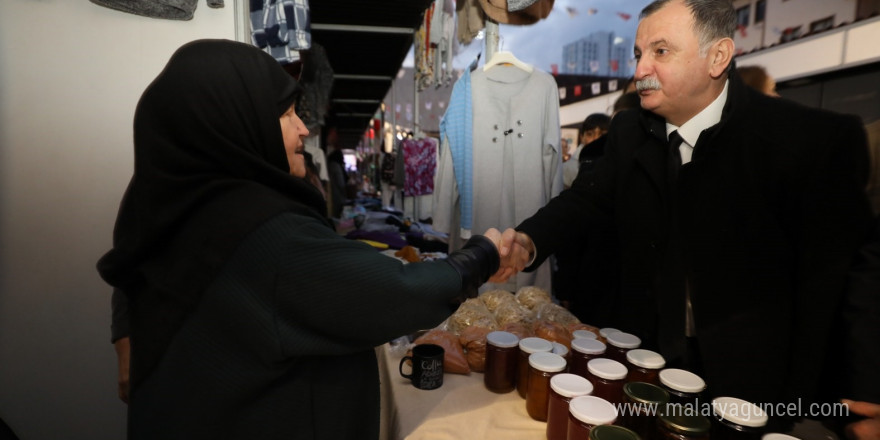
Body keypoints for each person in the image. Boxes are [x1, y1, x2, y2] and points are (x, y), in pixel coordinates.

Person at [495, 0, 874, 432]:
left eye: (661, 51)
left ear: (718, 57)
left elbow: (853, 271)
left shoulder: (808, 140)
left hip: (757, 382)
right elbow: (586, 201)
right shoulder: (629, 132)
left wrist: (864, 390)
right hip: (646, 362)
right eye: (638, 54)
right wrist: (528, 241)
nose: (640, 70)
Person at [98, 39, 502, 439]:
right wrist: (483, 256)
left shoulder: (174, 198)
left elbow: (131, 259)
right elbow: (397, 292)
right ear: (240, 120)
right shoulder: (262, 230)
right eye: (287, 113)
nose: (303, 128)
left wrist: (126, 336)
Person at [562, 113, 610, 188]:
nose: (596, 139)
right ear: (582, 137)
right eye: (590, 134)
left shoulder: (616, 163)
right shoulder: (567, 168)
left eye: (602, 135)